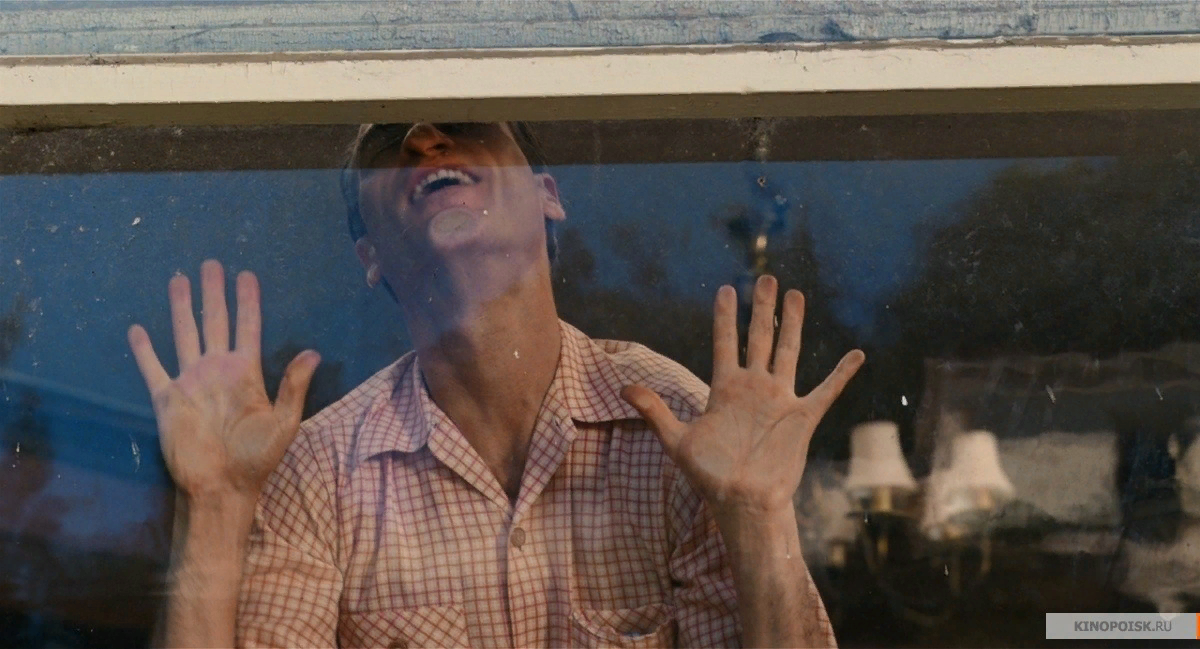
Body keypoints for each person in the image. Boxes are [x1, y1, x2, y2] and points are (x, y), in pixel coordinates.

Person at [127, 121, 865, 648]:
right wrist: (213, 503)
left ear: (548, 195)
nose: (424, 138)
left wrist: (758, 519)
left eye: (466, 121)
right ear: (369, 255)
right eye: (386, 143)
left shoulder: (680, 430)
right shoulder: (316, 473)